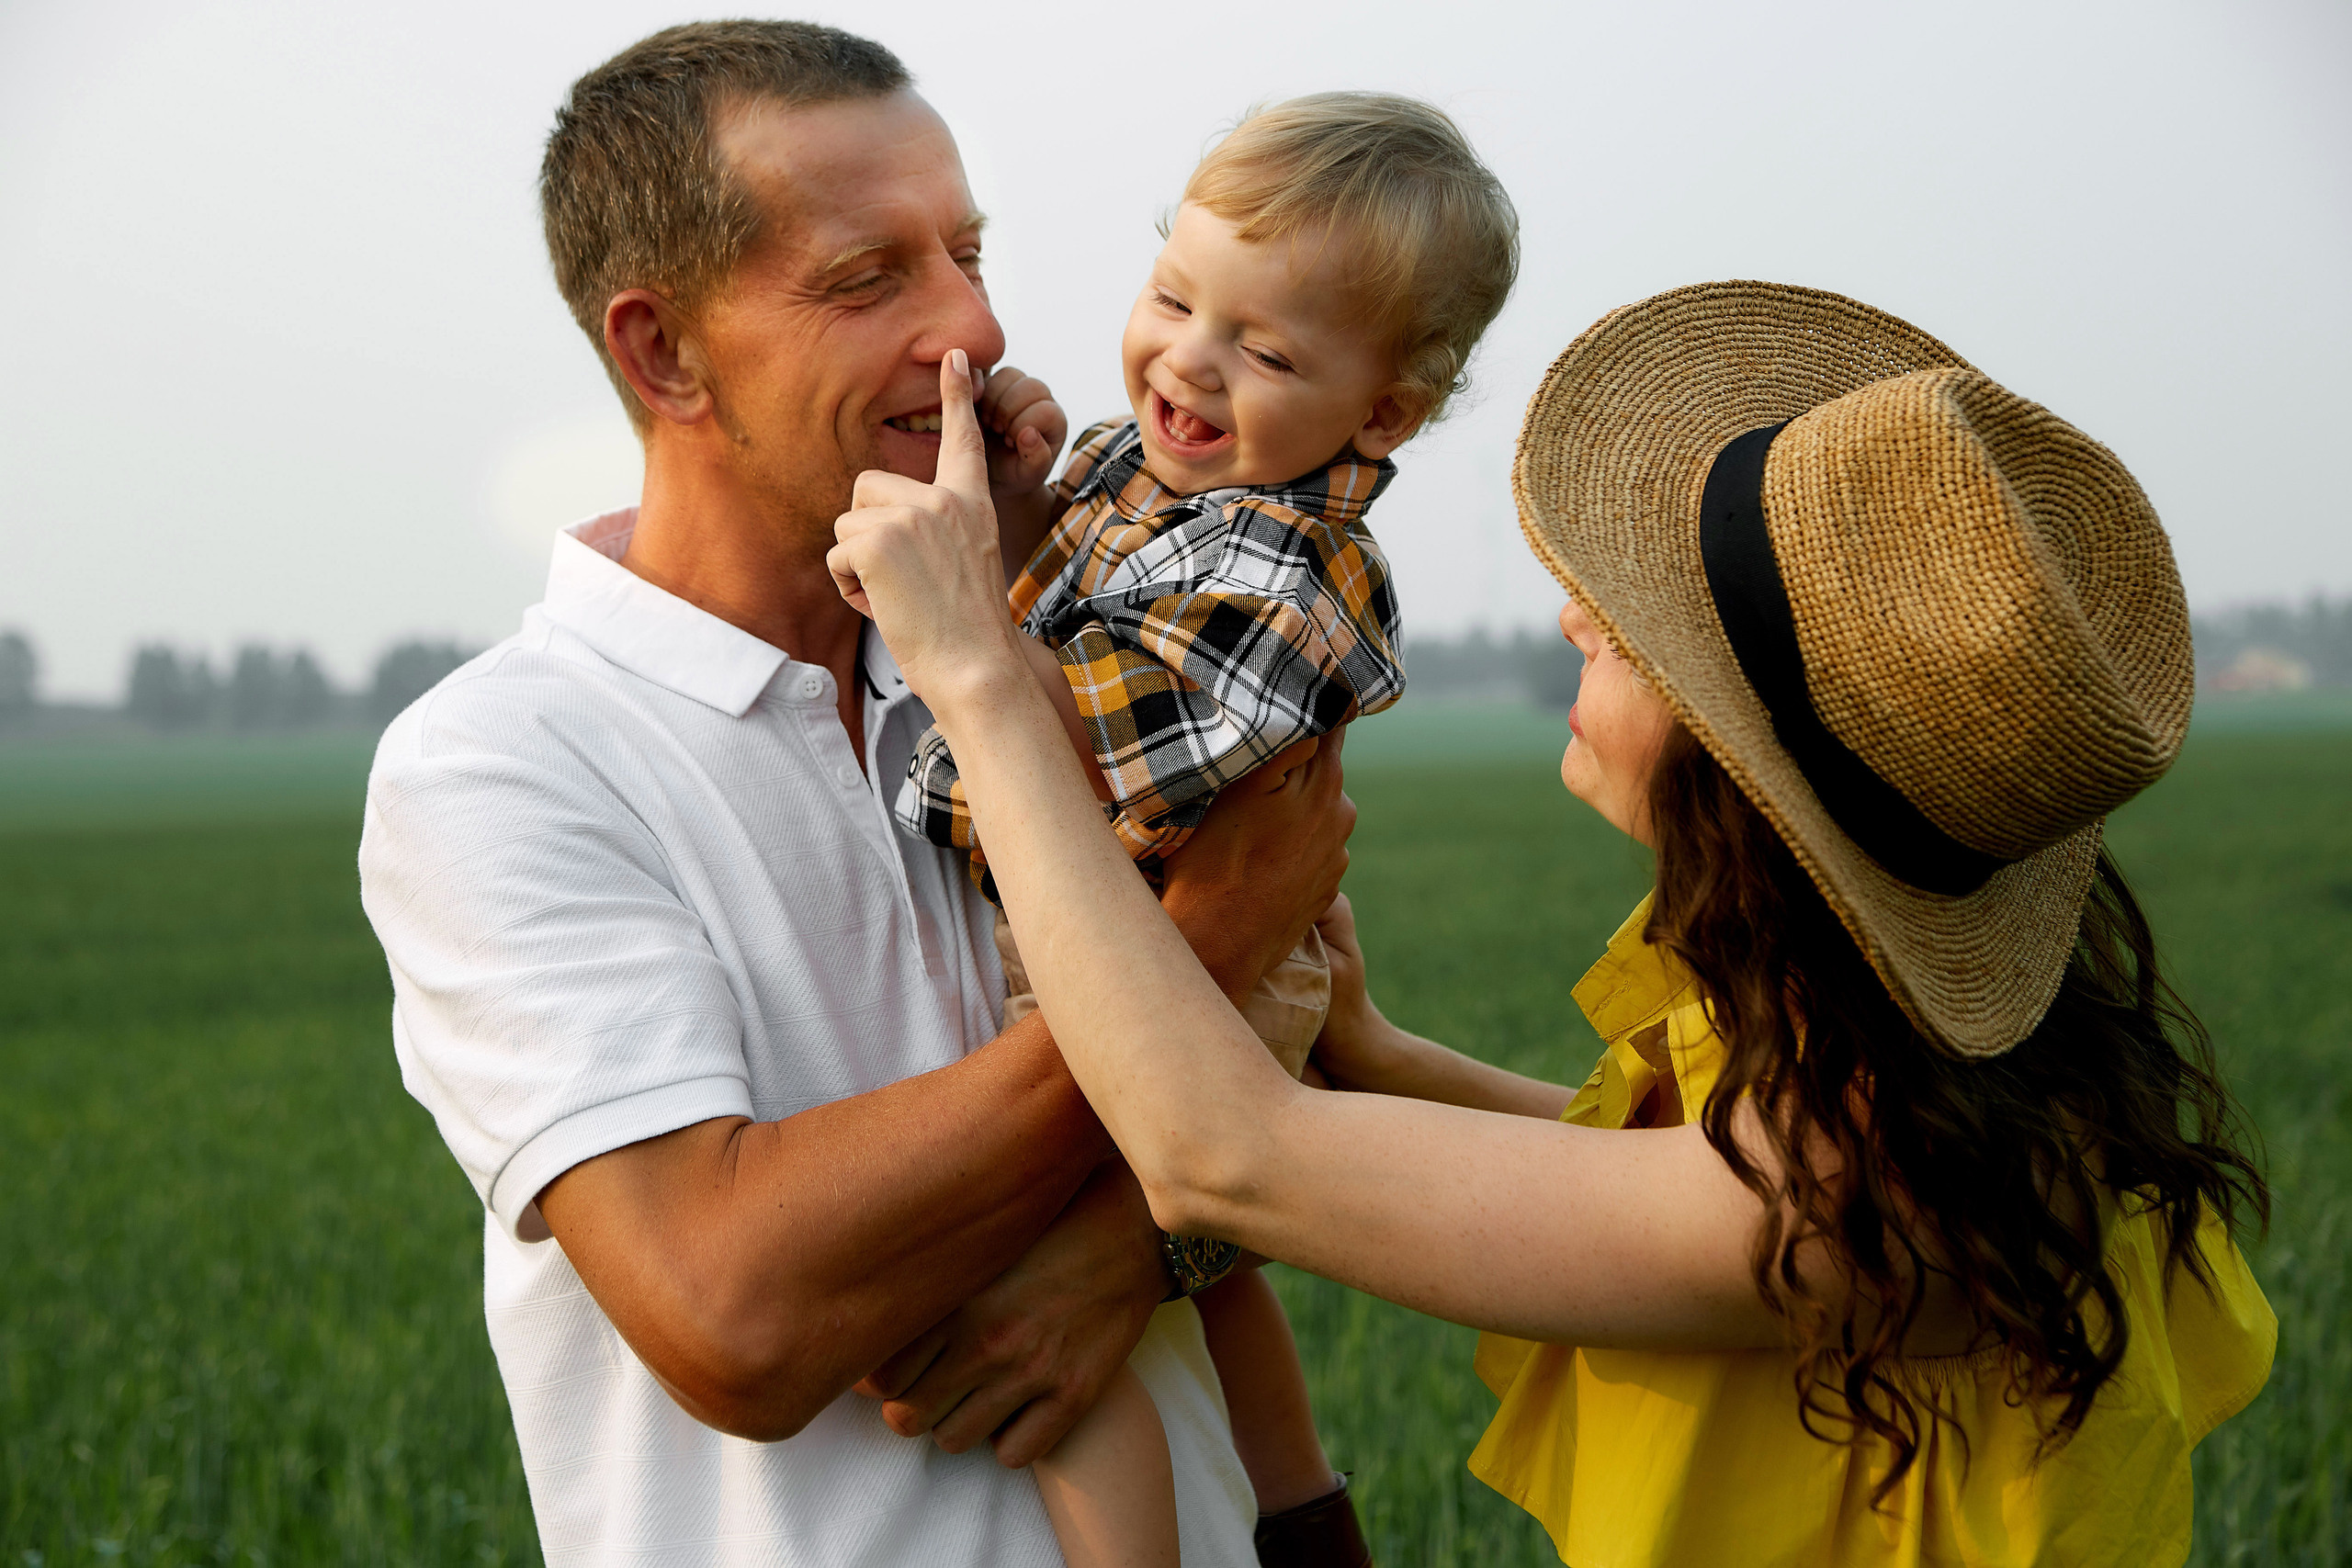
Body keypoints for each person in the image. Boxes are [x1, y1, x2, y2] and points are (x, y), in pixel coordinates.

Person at [829, 279, 2278, 1566]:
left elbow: (1226, 1160)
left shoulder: (1872, 1207)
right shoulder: (1915, 1091)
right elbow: (1661, 1180)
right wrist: (1382, 1056)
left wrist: (976, 673)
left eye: (1639, 623)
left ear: (1742, 771)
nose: (1577, 615)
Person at [358, 20, 1358, 1567]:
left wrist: (1123, 1266)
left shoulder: (1046, 665)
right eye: (866, 277)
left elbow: (1278, 1121)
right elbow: (733, 1313)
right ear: (662, 352)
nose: (971, 322)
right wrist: (1196, 955)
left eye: (965, 250)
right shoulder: (506, 762)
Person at [896, 93, 1517, 1568]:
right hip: (1170, 938)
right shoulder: (1155, 477)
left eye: (1268, 350)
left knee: (1062, 1288)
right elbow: (1067, 569)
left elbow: (1111, 760)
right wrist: (1023, 484)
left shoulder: (1288, 569)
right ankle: (1302, 1515)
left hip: (1198, 969)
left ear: (1381, 413)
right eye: (1175, 295)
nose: (1190, 359)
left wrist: (957, 625)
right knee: (1210, 1291)